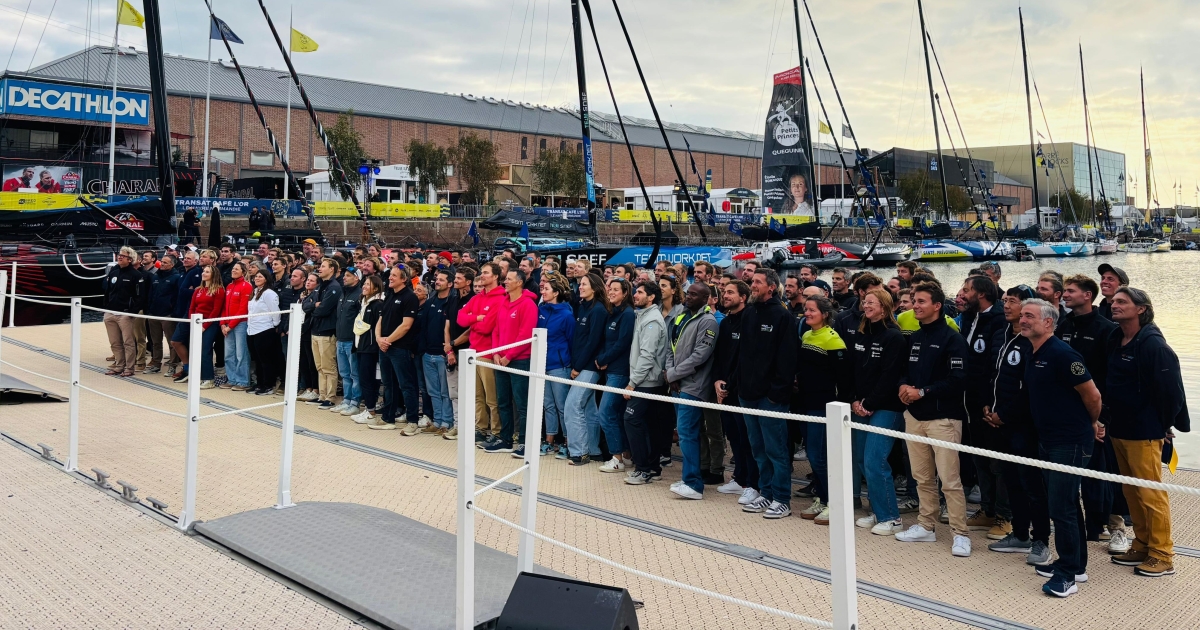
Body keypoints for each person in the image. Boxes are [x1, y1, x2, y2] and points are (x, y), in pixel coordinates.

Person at [1019, 298, 1103, 597]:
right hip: (1048, 439)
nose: (1023, 319)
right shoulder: (1033, 352)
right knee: (1066, 504)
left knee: (1061, 507)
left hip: (1070, 441)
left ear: (1048, 323)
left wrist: (1091, 423)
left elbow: (1093, 395)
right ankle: (1076, 565)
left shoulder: (1063, 354)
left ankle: (1067, 574)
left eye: (1030, 316)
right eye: (1022, 315)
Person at [1106, 287, 1189, 578]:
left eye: (1122, 301)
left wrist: (1162, 425)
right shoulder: (1116, 338)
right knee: (1131, 491)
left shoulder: (1154, 345)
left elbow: (1172, 393)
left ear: (1141, 309)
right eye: (1114, 301)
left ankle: (1162, 554)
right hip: (1119, 428)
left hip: (1144, 431)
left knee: (1151, 494)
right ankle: (1142, 543)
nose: (1114, 304)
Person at [893, 282, 971, 557]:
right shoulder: (914, 337)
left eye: (921, 301)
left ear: (937, 306)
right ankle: (926, 525)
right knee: (922, 477)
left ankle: (960, 533)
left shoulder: (953, 339)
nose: (915, 305)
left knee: (949, 480)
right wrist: (903, 386)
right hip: (914, 416)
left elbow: (959, 379)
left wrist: (923, 391)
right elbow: (903, 370)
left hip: (944, 419)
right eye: (914, 301)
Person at [984, 285, 1052, 564]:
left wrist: (1005, 413)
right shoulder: (1003, 335)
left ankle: (1041, 540)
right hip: (1000, 422)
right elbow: (996, 376)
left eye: (1013, 301)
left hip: (1024, 425)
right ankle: (1020, 533)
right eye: (1005, 301)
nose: (1008, 306)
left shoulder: (1033, 342)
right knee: (1010, 479)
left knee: (1032, 484)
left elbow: (1030, 388)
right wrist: (989, 406)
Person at [1058, 274, 1124, 545]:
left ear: (1087, 295)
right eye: (1064, 291)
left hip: (1099, 414)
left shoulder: (1107, 329)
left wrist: (1101, 419)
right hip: (1068, 414)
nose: (1065, 295)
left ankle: (1115, 526)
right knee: (1071, 474)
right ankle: (1083, 528)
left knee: (1102, 475)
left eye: (1071, 291)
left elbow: (1113, 376)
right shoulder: (1063, 325)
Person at [730, 269, 796, 518]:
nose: (753, 285)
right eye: (753, 281)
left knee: (775, 450)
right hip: (747, 394)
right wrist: (738, 384)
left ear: (771, 287)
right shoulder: (749, 312)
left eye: (758, 282)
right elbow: (742, 353)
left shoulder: (783, 316)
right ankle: (765, 492)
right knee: (757, 448)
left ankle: (782, 498)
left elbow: (787, 359)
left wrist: (776, 393)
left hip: (770, 398)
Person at [848, 289, 907, 535]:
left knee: (875, 460)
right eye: (865, 301)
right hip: (862, 405)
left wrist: (869, 403)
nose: (866, 304)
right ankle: (878, 510)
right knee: (862, 459)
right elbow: (853, 370)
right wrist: (854, 400)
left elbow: (889, 376)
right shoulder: (861, 333)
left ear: (884, 307)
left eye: (871, 302)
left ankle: (891, 517)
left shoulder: (894, 337)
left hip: (886, 407)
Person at [958, 275, 1011, 540]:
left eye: (966, 290)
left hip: (988, 403)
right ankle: (987, 509)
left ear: (980, 294)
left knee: (997, 462)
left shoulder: (999, 320)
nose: (961, 294)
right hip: (969, 401)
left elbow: (996, 366)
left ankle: (1005, 516)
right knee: (979, 458)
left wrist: (992, 402)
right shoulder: (969, 318)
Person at [793, 295, 853, 525]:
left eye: (812, 310)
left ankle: (833, 502)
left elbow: (844, 379)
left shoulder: (833, 339)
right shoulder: (807, 335)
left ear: (825, 314)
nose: (807, 313)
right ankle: (822, 497)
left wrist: (840, 409)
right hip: (806, 403)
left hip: (823, 406)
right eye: (806, 309)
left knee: (819, 456)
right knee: (813, 455)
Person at [665, 282, 719, 500]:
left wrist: (673, 374)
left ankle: (694, 484)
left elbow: (700, 356)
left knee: (688, 433)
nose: (689, 297)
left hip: (694, 385)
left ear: (706, 299)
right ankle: (688, 477)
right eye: (689, 293)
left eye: (695, 295)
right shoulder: (681, 316)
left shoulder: (708, 321)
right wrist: (672, 374)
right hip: (678, 383)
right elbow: (671, 347)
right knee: (684, 432)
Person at [713, 280, 759, 506]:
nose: (725, 295)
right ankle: (739, 478)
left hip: (741, 389)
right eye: (724, 292)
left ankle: (752, 483)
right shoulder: (725, 323)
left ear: (743, 297)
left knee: (746, 438)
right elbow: (720, 356)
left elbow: (745, 358)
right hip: (724, 390)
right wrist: (718, 381)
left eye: (730, 292)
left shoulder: (749, 320)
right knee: (733, 436)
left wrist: (729, 384)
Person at [484, 269, 538, 455]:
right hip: (501, 360)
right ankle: (505, 439)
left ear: (520, 282)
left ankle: (524, 442)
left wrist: (509, 356)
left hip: (520, 360)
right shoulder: (503, 302)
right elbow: (496, 330)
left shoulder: (528, 304)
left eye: (509, 279)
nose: (505, 281)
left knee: (522, 404)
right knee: (503, 401)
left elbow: (526, 335)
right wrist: (496, 353)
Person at [622, 280, 669, 485]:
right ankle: (652, 468)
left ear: (651, 297)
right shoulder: (643, 316)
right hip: (646, 380)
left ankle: (643, 470)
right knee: (649, 425)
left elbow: (647, 356)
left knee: (631, 420)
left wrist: (632, 383)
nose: (635, 295)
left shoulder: (652, 321)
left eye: (640, 292)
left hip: (646, 382)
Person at [563, 273, 609, 465]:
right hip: (581, 364)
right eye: (580, 284)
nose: (580, 287)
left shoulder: (598, 310)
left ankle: (579, 452)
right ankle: (593, 449)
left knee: (572, 406)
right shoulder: (583, 306)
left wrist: (578, 367)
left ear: (595, 288)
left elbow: (593, 342)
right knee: (589, 409)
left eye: (584, 284)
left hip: (589, 367)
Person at [459, 263, 506, 444]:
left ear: (495, 276)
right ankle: (480, 428)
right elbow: (460, 318)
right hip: (473, 352)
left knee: (492, 398)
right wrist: (476, 318)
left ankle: (496, 431)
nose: (482, 275)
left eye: (486, 273)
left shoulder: (500, 298)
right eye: (482, 272)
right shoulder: (477, 298)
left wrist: (472, 322)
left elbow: (487, 327)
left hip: (488, 353)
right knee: (478, 396)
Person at [593, 278, 636, 472]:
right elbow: (607, 340)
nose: (611, 292)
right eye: (610, 289)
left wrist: (603, 359)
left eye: (616, 289)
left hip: (620, 371)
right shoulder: (614, 312)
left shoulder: (627, 314)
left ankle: (617, 458)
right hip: (611, 369)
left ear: (625, 293)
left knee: (606, 412)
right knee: (616, 414)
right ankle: (626, 455)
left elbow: (623, 343)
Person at [372, 266, 421, 431]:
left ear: (404, 279)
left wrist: (388, 341)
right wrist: (379, 338)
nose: (390, 278)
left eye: (394, 275)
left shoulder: (410, 297)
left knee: (406, 385)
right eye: (390, 275)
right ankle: (388, 418)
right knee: (388, 384)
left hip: (400, 348)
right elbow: (380, 319)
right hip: (384, 347)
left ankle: (412, 421)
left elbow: (406, 325)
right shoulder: (389, 294)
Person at [538, 272, 575, 457]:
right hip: (542, 364)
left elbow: (571, 341)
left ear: (556, 293)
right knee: (548, 405)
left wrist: (570, 364)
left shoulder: (567, 315)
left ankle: (567, 442)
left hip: (559, 366)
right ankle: (549, 440)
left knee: (562, 406)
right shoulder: (541, 310)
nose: (543, 291)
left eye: (546, 289)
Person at [415, 270, 457, 435]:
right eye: (437, 279)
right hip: (428, 354)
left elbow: (451, 329)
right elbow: (423, 328)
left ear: (450, 283)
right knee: (433, 391)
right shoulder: (430, 302)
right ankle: (437, 420)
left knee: (445, 392)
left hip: (443, 354)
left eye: (441, 280)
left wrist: (448, 351)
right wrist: (423, 350)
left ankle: (447, 421)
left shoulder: (452, 302)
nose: (437, 281)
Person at [102, 246, 147, 378]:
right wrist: (106, 307)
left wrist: (132, 312)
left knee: (128, 342)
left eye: (123, 256)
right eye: (119, 255)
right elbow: (108, 291)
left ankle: (129, 367)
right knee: (115, 342)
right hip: (111, 312)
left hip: (125, 313)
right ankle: (119, 365)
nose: (119, 257)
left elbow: (140, 296)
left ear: (130, 259)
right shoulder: (114, 272)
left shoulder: (136, 275)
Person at [308, 259, 343, 409]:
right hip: (315, 330)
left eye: (323, 266)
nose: (319, 268)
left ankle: (330, 397)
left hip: (327, 332)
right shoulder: (320, 286)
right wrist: (313, 306)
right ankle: (322, 395)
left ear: (332, 269)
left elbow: (323, 309)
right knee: (320, 366)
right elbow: (306, 304)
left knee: (329, 366)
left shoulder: (334, 287)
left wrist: (312, 308)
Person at [331, 267, 364, 415]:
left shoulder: (359, 295)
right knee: (344, 373)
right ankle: (346, 400)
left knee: (354, 374)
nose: (344, 278)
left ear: (356, 278)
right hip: (341, 339)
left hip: (351, 340)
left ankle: (355, 403)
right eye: (344, 275)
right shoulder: (343, 293)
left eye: (348, 276)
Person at [245, 270, 282, 396]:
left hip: (265, 329)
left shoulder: (269, 293)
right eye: (256, 276)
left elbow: (275, 311)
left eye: (260, 276)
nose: (257, 278)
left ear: (266, 279)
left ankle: (268, 385)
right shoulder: (255, 292)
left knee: (266, 359)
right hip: (252, 329)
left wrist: (275, 325)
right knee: (257, 359)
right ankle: (259, 383)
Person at [169, 250, 204, 382]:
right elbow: (181, 291)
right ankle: (187, 368)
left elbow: (198, 292)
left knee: (179, 341)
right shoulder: (182, 273)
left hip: (192, 314)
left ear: (196, 261)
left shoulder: (197, 272)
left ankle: (190, 370)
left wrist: (190, 291)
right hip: (180, 312)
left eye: (189, 258)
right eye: (185, 258)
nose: (185, 260)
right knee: (181, 342)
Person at [219, 262, 252, 391]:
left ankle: (243, 381)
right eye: (233, 268)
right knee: (228, 354)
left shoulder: (246, 286)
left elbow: (243, 309)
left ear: (243, 272)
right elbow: (224, 306)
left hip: (240, 324)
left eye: (237, 269)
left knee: (241, 354)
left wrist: (230, 325)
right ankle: (231, 379)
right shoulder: (229, 286)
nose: (233, 270)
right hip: (228, 324)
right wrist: (222, 323)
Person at [145, 254, 180, 375]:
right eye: (162, 262)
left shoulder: (176, 277)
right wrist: (149, 309)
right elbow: (150, 294)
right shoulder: (155, 276)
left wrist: (173, 312)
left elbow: (177, 297)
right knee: (155, 342)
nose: (162, 264)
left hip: (167, 315)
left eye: (165, 262)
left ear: (172, 264)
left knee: (171, 342)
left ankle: (173, 365)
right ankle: (156, 364)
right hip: (154, 313)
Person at [192, 265, 226, 389]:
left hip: (210, 323)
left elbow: (216, 311)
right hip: (197, 322)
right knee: (197, 350)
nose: (204, 273)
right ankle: (200, 376)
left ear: (213, 275)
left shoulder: (219, 290)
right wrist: (192, 322)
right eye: (203, 271)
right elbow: (192, 307)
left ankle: (208, 378)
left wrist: (205, 326)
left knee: (205, 350)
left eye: (207, 272)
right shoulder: (198, 290)